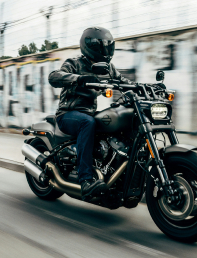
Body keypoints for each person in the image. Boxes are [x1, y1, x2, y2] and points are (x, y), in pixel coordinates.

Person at [48, 27, 133, 199]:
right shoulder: (75, 63)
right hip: (68, 113)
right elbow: (54, 76)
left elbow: (123, 81)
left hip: (88, 113)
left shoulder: (107, 68)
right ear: (91, 47)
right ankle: (85, 179)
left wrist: (142, 88)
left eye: (108, 46)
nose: (106, 50)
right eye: (103, 47)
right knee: (88, 123)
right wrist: (78, 79)